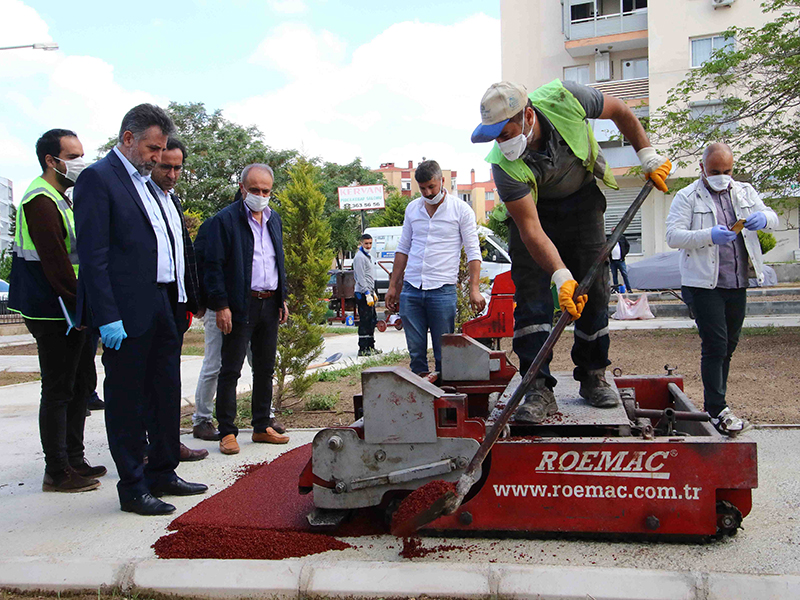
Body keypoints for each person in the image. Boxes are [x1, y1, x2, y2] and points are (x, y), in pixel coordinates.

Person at [471, 80, 671, 422]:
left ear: (528, 115)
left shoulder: (567, 98)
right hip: (534, 215)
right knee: (533, 299)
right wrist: (560, 276)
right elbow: (532, 230)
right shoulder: (502, 167)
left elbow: (621, 111)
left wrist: (647, 155)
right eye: (495, 138)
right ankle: (537, 388)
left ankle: (593, 376)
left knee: (594, 291)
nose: (501, 143)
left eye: (506, 133)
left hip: (582, 201)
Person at [74, 104, 207, 515]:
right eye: (152, 148)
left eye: (162, 149)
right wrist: (106, 314)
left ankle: (163, 470)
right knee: (127, 398)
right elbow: (93, 256)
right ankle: (133, 485)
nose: (157, 157)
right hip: (126, 310)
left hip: (164, 303)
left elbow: (163, 245)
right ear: (128, 139)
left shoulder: (147, 184)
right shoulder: (98, 179)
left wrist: (182, 298)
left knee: (165, 391)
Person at [8, 128, 106, 493]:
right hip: (54, 311)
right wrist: (83, 310)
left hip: (72, 308)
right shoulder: (40, 200)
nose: (81, 162)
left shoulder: (62, 197)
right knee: (58, 389)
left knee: (81, 385)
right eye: (74, 156)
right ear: (52, 160)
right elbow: (56, 265)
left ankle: (75, 459)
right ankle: (56, 470)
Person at [666, 142, 776, 435]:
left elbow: (773, 217)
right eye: (715, 171)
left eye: (727, 171)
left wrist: (763, 218)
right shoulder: (687, 196)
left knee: (729, 344)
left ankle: (719, 405)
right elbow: (673, 236)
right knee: (715, 345)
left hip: (737, 281)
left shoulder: (745, 192)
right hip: (703, 284)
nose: (721, 176)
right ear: (702, 168)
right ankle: (717, 409)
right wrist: (709, 235)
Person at [204, 163, 290, 455]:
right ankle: (227, 431)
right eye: (254, 190)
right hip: (239, 305)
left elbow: (277, 259)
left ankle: (261, 425)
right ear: (242, 188)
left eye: (266, 191)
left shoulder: (273, 219)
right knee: (230, 370)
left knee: (265, 368)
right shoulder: (225, 221)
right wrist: (221, 305)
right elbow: (213, 267)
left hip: (270, 303)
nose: (260, 195)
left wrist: (282, 299)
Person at [385, 160, 486, 374]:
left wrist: (474, 289)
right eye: (423, 188)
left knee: (444, 354)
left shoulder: (461, 211)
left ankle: (446, 400)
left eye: (432, 186)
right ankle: (421, 401)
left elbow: (473, 252)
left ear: (442, 181)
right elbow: (403, 248)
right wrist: (393, 286)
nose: (428, 192)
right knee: (416, 355)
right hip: (412, 288)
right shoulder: (413, 208)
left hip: (442, 289)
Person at [148, 136, 208, 462]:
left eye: (178, 167)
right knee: (148, 381)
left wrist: (192, 299)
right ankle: (148, 448)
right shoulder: (142, 198)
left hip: (176, 303)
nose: (172, 174)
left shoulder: (172, 202)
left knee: (170, 380)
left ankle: (170, 444)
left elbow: (183, 253)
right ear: (152, 161)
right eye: (166, 166)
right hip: (148, 304)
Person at [353, 233, 379, 356]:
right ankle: (363, 348)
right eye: (366, 243)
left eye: (370, 243)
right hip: (362, 293)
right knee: (365, 320)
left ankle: (371, 346)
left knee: (372, 320)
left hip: (369, 292)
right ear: (361, 243)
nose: (368, 246)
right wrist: (367, 293)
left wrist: (373, 292)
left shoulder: (368, 256)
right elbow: (360, 277)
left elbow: (369, 277)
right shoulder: (359, 258)